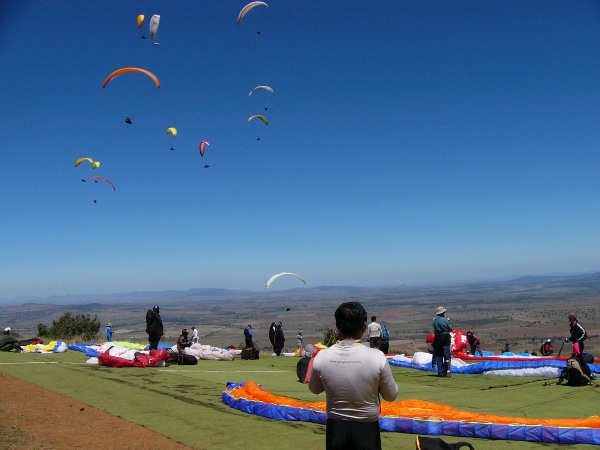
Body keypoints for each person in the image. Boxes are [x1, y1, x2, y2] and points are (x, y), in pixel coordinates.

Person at [308, 302, 398, 450]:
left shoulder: (322, 357)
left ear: (337, 326)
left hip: (335, 429)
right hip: (367, 430)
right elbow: (391, 395)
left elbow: (314, 389)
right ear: (364, 327)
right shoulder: (377, 357)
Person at [432, 306, 452, 377]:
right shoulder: (445, 320)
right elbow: (450, 328)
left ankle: (440, 372)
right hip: (445, 338)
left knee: (438, 355)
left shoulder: (434, 320)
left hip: (437, 338)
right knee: (447, 356)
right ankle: (447, 371)